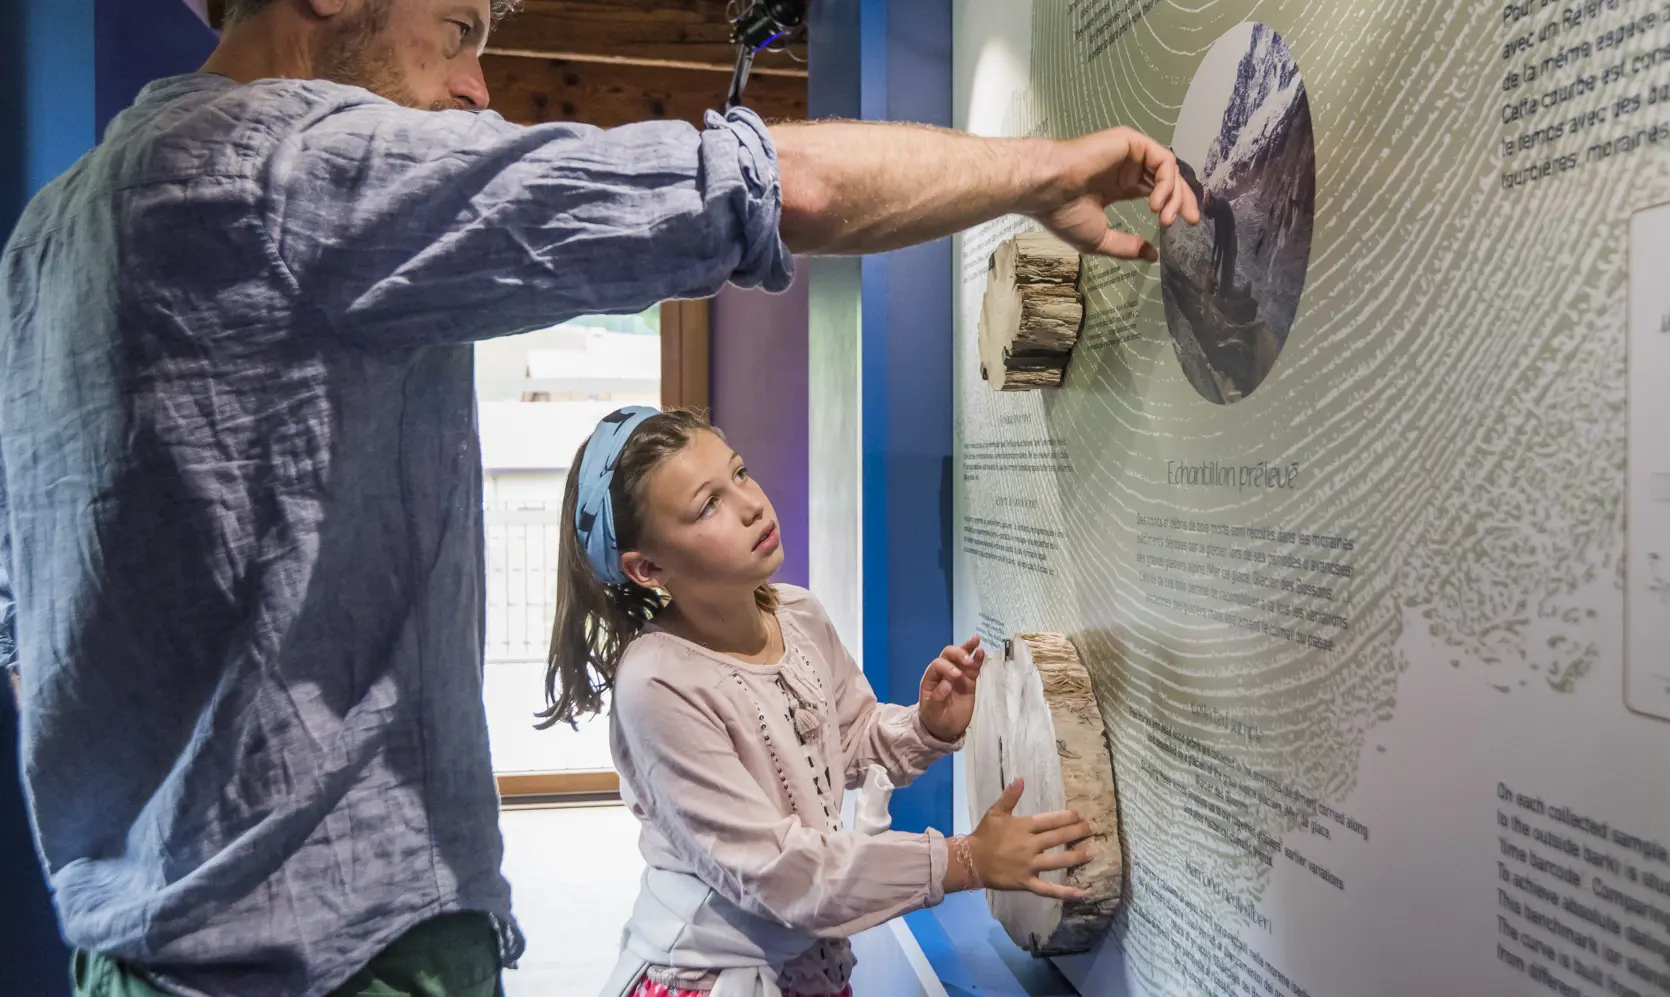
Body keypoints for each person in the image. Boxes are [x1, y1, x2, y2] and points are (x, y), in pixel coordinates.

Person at [0, 0, 1197, 994]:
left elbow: (29, 621)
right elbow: (761, 188)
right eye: (460, 29)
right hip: (334, 952)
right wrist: (1030, 171)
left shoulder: (44, 241)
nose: (478, 89)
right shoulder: (285, 167)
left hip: (129, 946)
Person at [544, 407, 1094, 997]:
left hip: (811, 970)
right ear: (648, 567)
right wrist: (965, 860)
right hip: (711, 981)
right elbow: (780, 872)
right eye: (709, 505)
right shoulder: (656, 682)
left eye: (740, 473)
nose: (752, 503)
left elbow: (850, 742)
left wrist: (927, 726)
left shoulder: (795, 612)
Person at [1176, 157, 1238, 294]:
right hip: (1228, 239)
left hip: (1231, 241)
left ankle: (1225, 297)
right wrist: (1212, 262)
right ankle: (1224, 293)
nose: (1209, 217)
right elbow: (1217, 239)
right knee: (1227, 270)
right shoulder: (1218, 208)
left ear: (1211, 207)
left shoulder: (1220, 208)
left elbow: (1221, 246)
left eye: (1208, 214)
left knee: (1227, 270)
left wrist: (1213, 272)